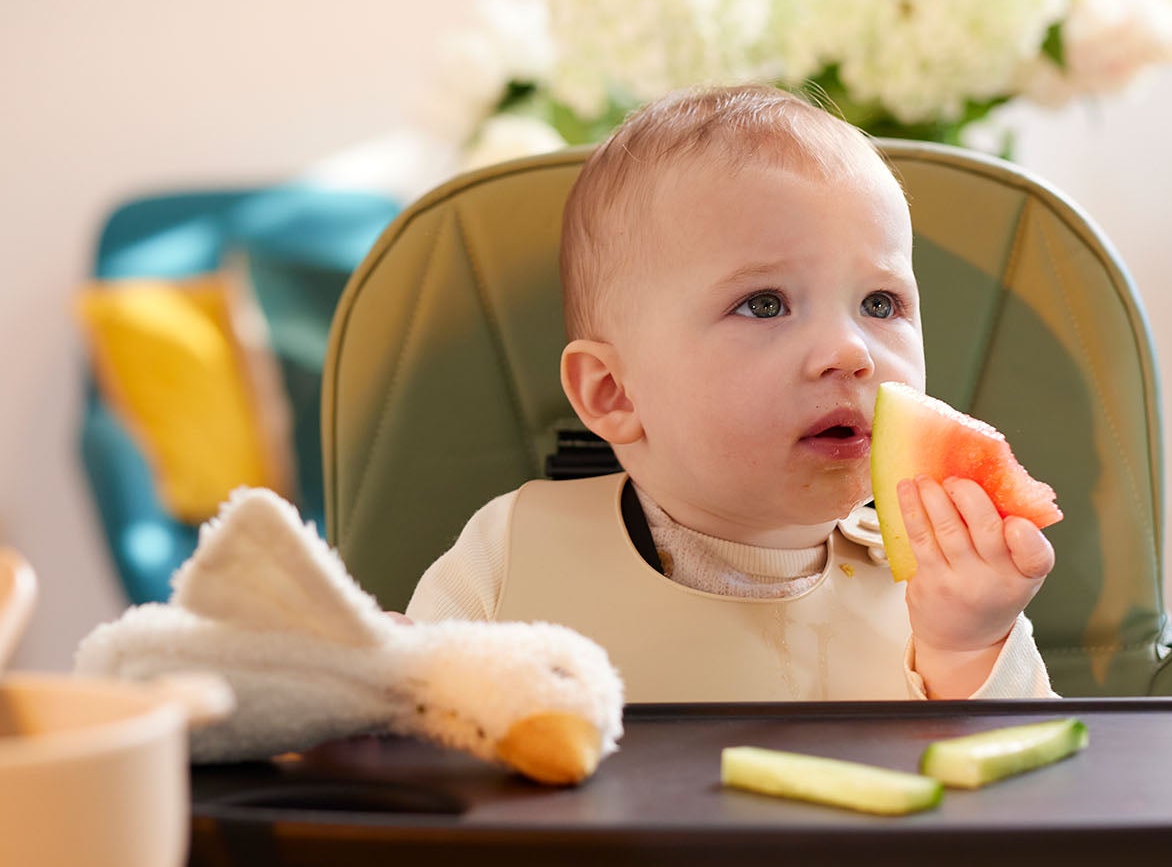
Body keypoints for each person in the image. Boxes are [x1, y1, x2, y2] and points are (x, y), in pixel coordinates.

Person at [407, 84, 1055, 700]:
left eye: (879, 303)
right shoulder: (510, 554)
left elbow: (1029, 774)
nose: (851, 352)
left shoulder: (950, 584)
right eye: (766, 304)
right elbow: (411, 735)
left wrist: (968, 649)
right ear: (614, 394)